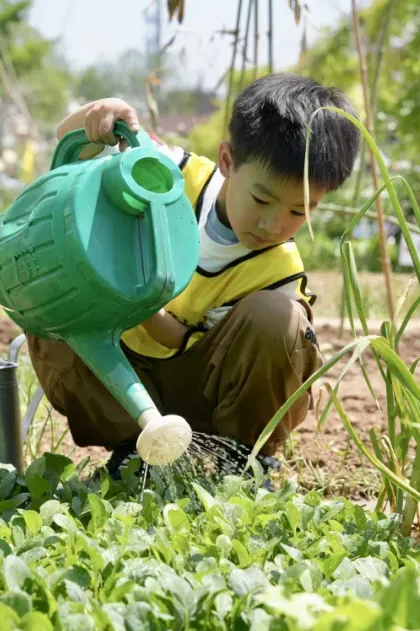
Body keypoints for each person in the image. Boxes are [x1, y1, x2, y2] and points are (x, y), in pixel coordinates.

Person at [26, 73, 362, 477]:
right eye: (262, 199)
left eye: (299, 212)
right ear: (227, 160)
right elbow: (71, 151)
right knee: (54, 291)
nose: (274, 224)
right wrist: (101, 113)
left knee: (282, 320)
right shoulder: (169, 174)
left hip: (202, 393)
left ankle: (242, 457)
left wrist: (139, 297)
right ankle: (132, 449)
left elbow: (181, 340)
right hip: (118, 371)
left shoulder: (278, 271)